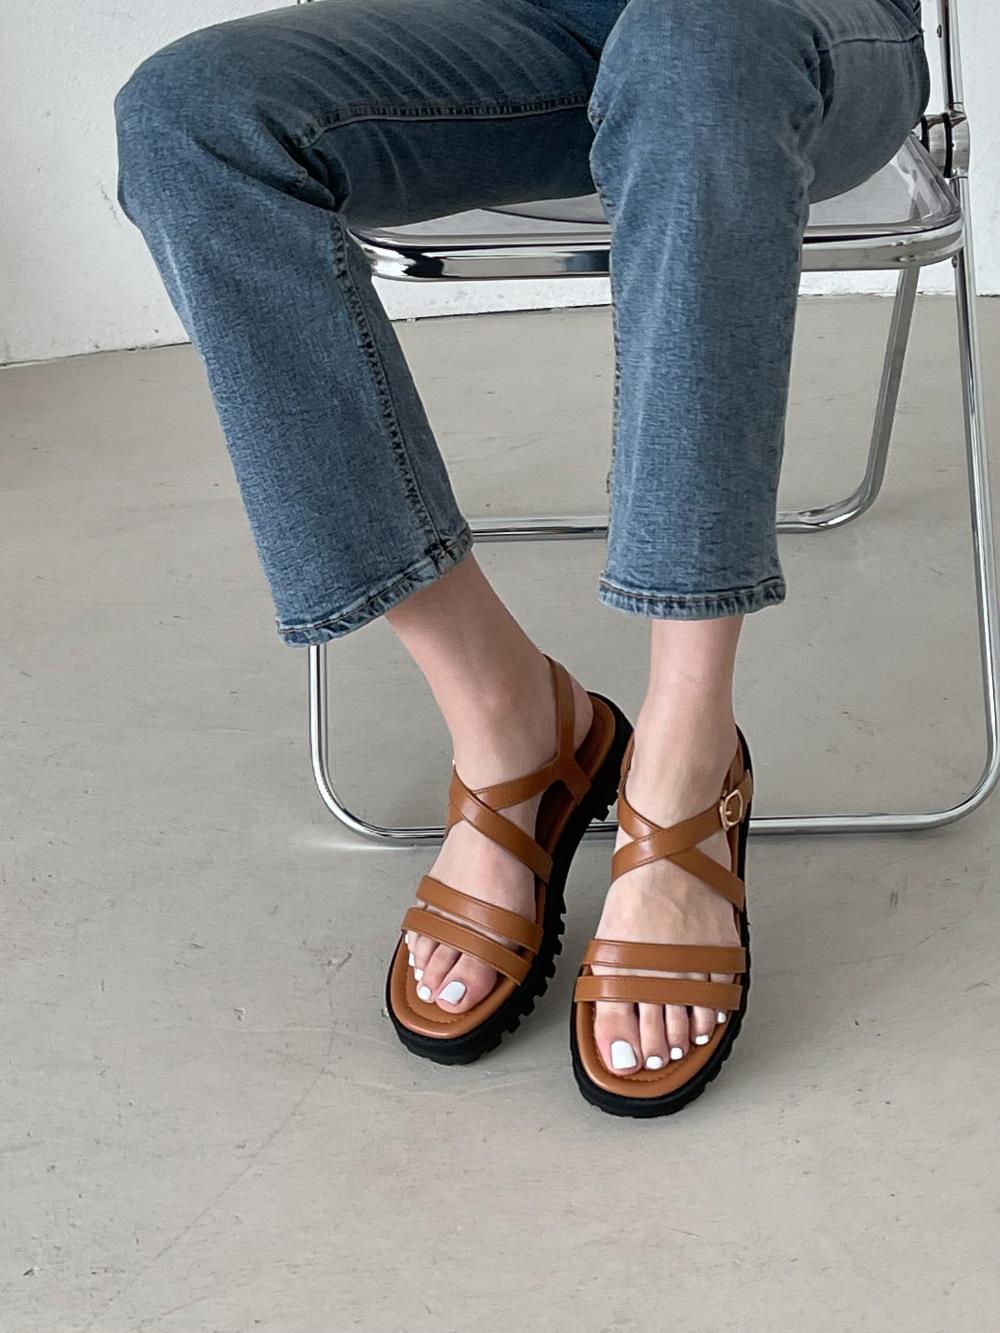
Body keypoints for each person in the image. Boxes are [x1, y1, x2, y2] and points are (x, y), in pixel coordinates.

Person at [113, 0, 930, 1116]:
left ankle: (686, 759)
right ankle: (512, 721)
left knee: (698, 44)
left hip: (791, 33)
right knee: (191, 117)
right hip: (535, 26)